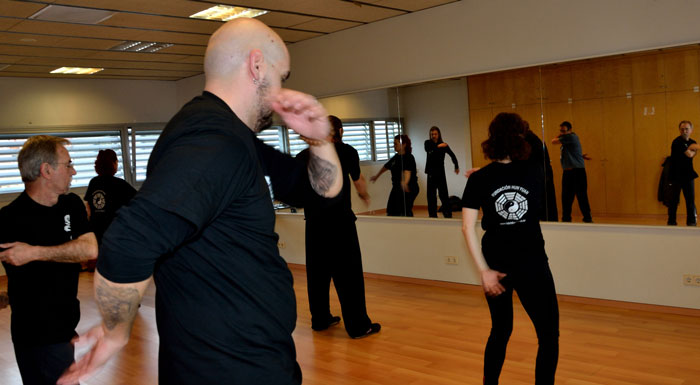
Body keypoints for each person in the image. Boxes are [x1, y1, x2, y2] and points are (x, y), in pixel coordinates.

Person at [58, 18, 342, 385]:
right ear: (257, 65)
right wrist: (116, 331)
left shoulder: (231, 136)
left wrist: (319, 141)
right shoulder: (216, 140)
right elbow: (129, 240)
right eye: (281, 75)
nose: (281, 89)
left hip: (245, 355)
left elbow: (318, 192)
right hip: (229, 366)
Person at [462, 112, 559, 385]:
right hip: (532, 263)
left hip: (496, 264)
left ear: (491, 140)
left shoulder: (479, 179)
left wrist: (484, 271)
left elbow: (467, 228)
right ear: (520, 137)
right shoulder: (536, 171)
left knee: (501, 329)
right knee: (549, 335)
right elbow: (535, 147)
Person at [0, 135, 98, 385]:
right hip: (36, 333)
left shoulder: (71, 204)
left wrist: (33, 252)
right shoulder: (8, 218)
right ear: (46, 170)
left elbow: (89, 249)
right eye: (68, 164)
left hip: (65, 327)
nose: (73, 170)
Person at [297, 115, 381, 339]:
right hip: (340, 223)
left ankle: (320, 319)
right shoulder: (345, 151)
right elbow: (358, 180)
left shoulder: (303, 156)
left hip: (314, 225)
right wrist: (364, 195)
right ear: (340, 131)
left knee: (318, 273)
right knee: (349, 275)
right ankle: (358, 326)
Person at [84, 149, 136, 244]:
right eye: (116, 161)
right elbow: (137, 202)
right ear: (113, 163)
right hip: (115, 233)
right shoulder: (120, 184)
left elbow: (88, 210)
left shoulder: (93, 182)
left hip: (96, 232)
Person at [551, 121, 592, 223]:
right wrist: (580, 156)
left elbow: (553, 141)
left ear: (570, 130)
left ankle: (587, 218)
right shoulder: (567, 139)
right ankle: (566, 219)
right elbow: (573, 152)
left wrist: (560, 135)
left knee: (581, 196)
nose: (562, 133)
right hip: (569, 172)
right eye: (560, 131)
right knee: (566, 197)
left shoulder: (570, 137)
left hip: (577, 172)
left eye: (564, 131)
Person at [369, 135, 419, 216]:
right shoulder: (395, 158)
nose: (394, 146)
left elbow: (407, 172)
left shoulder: (409, 157)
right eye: (394, 144)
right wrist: (376, 176)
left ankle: (409, 225)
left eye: (396, 144)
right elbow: (385, 167)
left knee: (404, 210)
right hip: (397, 187)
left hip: (409, 188)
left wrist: (405, 182)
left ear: (404, 144)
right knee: (391, 210)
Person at [667, 120, 699, 226]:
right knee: (674, 201)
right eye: (682, 129)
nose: (684, 131)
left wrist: (692, 148)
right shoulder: (677, 142)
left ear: (691, 130)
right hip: (675, 176)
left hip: (688, 175)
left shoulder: (692, 142)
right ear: (679, 130)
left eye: (687, 129)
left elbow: (694, 151)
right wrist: (691, 149)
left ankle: (691, 222)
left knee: (690, 201)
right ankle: (671, 222)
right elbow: (689, 154)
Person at [524, 122, 558, 221]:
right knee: (546, 204)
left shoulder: (529, 140)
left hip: (539, 176)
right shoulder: (533, 138)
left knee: (542, 204)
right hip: (542, 174)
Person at [424, 126, 459, 218]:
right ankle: (432, 214)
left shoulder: (444, 145)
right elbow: (429, 149)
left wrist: (456, 166)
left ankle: (447, 213)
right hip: (431, 173)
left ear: (438, 134)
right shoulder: (428, 143)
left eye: (435, 134)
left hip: (440, 173)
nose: (433, 136)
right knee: (431, 195)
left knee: (443, 194)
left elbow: (452, 155)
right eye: (432, 134)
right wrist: (439, 146)